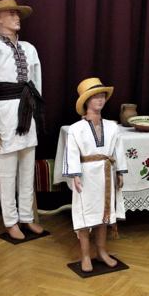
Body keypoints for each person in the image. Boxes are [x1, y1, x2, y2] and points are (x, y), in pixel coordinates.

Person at [0, 0, 45, 240]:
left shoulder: (30, 48)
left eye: (18, 14)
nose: (17, 18)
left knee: (27, 169)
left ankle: (27, 217)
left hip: (28, 112)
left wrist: (36, 110)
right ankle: (10, 221)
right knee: (6, 172)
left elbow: (36, 82)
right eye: (11, 14)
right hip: (4, 114)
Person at [62, 78, 127, 272]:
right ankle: (85, 255)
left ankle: (101, 251)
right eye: (95, 96)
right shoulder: (76, 129)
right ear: (86, 101)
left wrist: (120, 172)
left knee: (103, 213)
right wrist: (75, 175)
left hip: (106, 175)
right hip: (86, 177)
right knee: (85, 213)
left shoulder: (112, 126)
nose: (100, 100)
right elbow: (72, 153)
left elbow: (118, 150)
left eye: (102, 96)